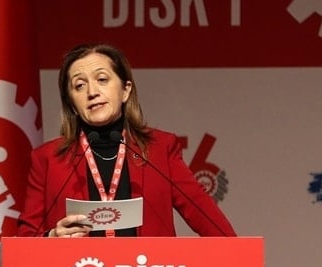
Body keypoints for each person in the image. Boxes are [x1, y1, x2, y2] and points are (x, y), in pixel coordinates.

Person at [16, 43, 236, 238]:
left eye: (102, 79)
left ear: (125, 90)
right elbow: (25, 240)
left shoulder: (160, 149)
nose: (92, 92)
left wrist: (241, 260)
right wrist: (51, 237)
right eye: (79, 85)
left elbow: (210, 221)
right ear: (72, 104)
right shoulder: (47, 159)